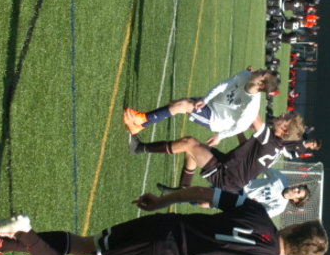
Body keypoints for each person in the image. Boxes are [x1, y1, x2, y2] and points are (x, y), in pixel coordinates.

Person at [0, 187, 328, 255]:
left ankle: (2, 241)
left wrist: (162, 201)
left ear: (295, 227)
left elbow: (203, 194)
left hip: (164, 226)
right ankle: (24, 234)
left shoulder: (257, 212)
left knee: (86, 245)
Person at [129, 113, 306, 193]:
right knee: (192, 151)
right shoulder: (276, 146)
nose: (282, 115)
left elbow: (254, 115)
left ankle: (138, 147)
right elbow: (250, 151)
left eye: (286, 118)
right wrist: (237, 130)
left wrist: (255, 84)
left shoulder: (268, 138)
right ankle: (183, 190)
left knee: (189, 143)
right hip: (230, 169)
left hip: (228, 175)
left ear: (284, 130)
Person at [123, 68, 279, 146]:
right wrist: (205, 99)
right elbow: (223, 85)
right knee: (176, 104)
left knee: (182, 105)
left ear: (261, 84)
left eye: (262, 73)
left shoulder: (252, 106)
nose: (259, 70)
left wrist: (220, 136)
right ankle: (138, 126)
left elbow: (240, 127)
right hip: (211, 104)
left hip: (216, 119)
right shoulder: (245, 75)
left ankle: (141, 119)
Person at [158, 168, 311, 218]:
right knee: (206, 192)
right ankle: (175, 195)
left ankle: (175, 196)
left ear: (296, 200)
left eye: (298, 192)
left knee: (206, 200)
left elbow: (261, 213)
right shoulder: (280, 178)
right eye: (298, 187)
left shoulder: (280, 206)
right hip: (239, 184)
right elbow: (262, 167)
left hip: (240, 201)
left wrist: (250, 205)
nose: (295, 189)